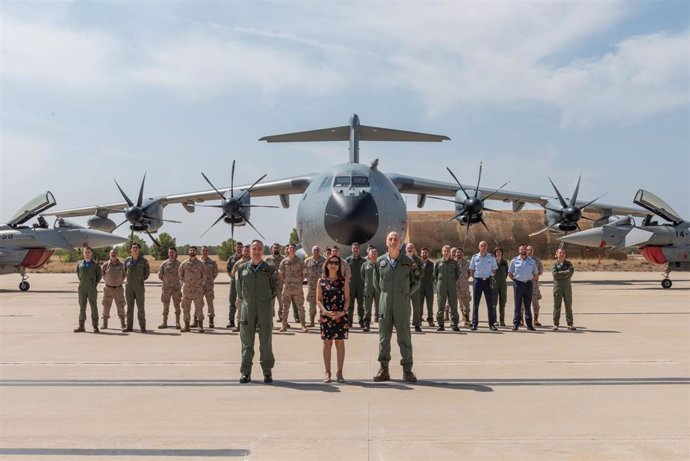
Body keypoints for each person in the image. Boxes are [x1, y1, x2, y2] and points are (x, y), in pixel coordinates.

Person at [372, 232, 421, 383]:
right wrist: (386, 296)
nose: (393, 241)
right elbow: (376, 283)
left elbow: (416, 281)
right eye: (390, 239)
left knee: (404, 337)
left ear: (401, 243)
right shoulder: (380, 262)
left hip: (402, 304)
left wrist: (404, 294)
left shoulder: (408, 261)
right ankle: (384, 369)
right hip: (384, 304)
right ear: (386, 242)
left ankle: (407, 370)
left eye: (396, 239)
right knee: (383, 338)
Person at [237, 240, 279, 384]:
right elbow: (239, 289)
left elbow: (275, 287)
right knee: (247, 342)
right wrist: (246, 301)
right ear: (249, 250)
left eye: (259, 249)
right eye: (254, 248)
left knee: (266, 341)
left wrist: (265, 299)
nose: (256, 251)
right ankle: (246, 372)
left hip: (264, 308)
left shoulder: (269, 268)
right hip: (248, 309)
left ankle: (267, 371)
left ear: (262, 251)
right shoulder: (242, 268)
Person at [317, 255, 350, 383]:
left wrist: (343, 312)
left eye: (336, 263)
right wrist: (325, 311)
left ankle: (340, 372)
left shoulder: (343, 281)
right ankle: (327, 372)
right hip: (326, 316)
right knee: (327, 343)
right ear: (326, 264)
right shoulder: (322, 281)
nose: (333, 265)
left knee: (340, 343)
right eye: (330, 262)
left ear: (339, 266)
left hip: (340, 316)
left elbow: (347, 298)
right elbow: (318, 300)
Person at [278, 243, 308, 333]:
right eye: (290, 248)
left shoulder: (300, 261)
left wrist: (300, 281)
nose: (291, 249)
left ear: (295, 250)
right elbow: (280, 272)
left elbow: (304, 272)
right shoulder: (284, 261)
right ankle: (284, 325)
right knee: (285, 307)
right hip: (287, 287)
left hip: (297, 287)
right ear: (288, 250)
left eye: (293, 248)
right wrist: (285, 281)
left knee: (301, 307)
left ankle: (303, 325)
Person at [508, 244, 539, 331]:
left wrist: (530, 279)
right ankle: (516, 324)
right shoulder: (514, 261)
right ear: (519, 250)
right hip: (518, 284)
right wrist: (516, 281)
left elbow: (535, 273)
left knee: (527, 306)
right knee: (517, 305)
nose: (523, 251)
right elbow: (510, 273)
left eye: (525, 249)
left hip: (528, 284)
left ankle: (529, 325)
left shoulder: (532, 261)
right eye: (521, 249)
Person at [469, 241, 498, 331]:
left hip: (488, 281)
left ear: (487, 247)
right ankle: (474, 324)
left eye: (485, 245)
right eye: (482, 245)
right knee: (476, 304)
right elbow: (472, 270)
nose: (483, 247)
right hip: (478, 281)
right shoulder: (474, 257)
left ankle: (491, 324)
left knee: (490, 304)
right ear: (479, 247)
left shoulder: (491, 257)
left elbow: (494, 270)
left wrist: (491, 279)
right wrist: (476, 278)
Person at [123, 242, 150, 333]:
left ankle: (142, 327)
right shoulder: (127, 261)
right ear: (131, 250)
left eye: (136, 248)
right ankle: (129, 326)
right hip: (129, 286)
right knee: (129, 308)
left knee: (140, 307)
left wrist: (140, 279)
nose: (135, 249)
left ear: (139, 249)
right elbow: (124, 272)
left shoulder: (144, 261)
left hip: (139, 287)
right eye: (133, 248)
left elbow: (147, 273)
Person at [179, 246, 207, 333]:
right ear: (188, 251)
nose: (192, 251)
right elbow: (180, 275)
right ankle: (187, 326)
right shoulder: (184, 263)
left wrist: (200, 285)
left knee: (199, 308)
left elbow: (204, 276)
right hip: (187, 290)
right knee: (186, 308)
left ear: (196, 252)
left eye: (194, 250)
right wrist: (184, 284)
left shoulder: (201, 264)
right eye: (190, 250)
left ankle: (200, 326)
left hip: (197, 290)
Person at [74, 247, 102, 333]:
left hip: (91, 287)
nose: (87, 254)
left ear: (91, 254)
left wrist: (94, 283)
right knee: (82, 306)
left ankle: (95, 326)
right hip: (82, 287)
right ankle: (81, 325)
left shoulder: (95, 265)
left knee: (93, 306)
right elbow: (79, 275)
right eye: (86, 252)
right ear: (83, 253)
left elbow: (99, 276)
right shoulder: (79, 264)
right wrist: (84, 282)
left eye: (89, 252)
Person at [435, 245, 460, 331]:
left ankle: (454, 324)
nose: (446, 252)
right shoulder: (438, 262)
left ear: (450, 252)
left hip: (452, 285)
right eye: (444, 251)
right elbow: (435, 274)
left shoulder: (454, 263)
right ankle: (441, 324)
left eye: (447, 251)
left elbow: (457, 274)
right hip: (441, 285)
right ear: (442, 252)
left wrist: (452, 281)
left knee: (453, 304)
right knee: (441, 304)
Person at [100, 248, 126, 330]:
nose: (113, 254)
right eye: (112, 253)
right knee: (106, 305)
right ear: (109, 254)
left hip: (118, 288)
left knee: (121, 306)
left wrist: (119, 281)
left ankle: (123, 324)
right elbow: (103, 274)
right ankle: (105, 324)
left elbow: (125, 275)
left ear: (117, 254)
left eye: (115, 253)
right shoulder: (105, 265)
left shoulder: (122, 265)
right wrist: (108, 281)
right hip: (108, 288)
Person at [552, 248, 576, 331]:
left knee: (568, 306)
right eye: (560, 253)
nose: (561, 254)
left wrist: (561, 273)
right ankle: (555, 324)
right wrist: (565, 273)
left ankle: (570, 324)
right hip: (558, 288)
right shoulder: (554, 264)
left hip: (567, 288)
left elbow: (571, 272)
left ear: (565, 254)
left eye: (563, 253)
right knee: (557, 306)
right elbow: (555, 275)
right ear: (556, 254)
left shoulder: (568, 263)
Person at [157, 247, 182, 329]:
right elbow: (160, 275)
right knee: (165, 305)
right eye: (170, 252)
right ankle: (164, 323)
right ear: (168, 253)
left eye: (173, 252)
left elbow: (182, 276)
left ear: (175, 253)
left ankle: (178, 323)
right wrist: (167, 282)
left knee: (177, 305)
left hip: (176, 289)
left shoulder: (179, 264)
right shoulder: (164, 264)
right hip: (166, 289)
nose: (171, 254)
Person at [229, 245, 251, 332]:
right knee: (240, 307)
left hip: (252, 289)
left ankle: (253, 326)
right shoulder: (238, 263)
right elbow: (233, 274)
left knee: (252, 308)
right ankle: (239, 325)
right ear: (242, 252)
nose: (246, 252)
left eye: (247, 251)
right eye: (244, 251)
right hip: (241, 290)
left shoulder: (253, 262)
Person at [304, 245, 326, 327]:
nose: (316, 251)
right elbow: (304, 272)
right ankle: (311, 321)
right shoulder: (307, 261)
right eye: (314, 250)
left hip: (322, 286)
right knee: (312, 305)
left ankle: (322, 321)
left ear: (319, 251)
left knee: (322, 304)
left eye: (317, 250)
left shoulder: (324, 260)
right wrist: (309, 279)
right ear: (312, 251)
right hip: (312, 286)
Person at [345, 242, 365, 328]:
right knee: (350, 305)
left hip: (361, 285)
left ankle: (361, 321)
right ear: (351, 249)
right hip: (351, 286)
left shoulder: (364, 261)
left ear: (359, 249)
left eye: (357, 248)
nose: (355, 249)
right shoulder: (347, 260)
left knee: (361, 305)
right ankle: (349, 321)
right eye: (354, 248)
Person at [199, 246, 219, 328]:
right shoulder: (197, 262)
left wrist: (210, 280)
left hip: (209, 286)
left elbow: (215, 273)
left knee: (210, 303)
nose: (204, 252)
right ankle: (197, 319)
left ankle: (211, 321)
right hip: (199, 286)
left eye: (206, 251)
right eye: (203, 251)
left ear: (208, 252)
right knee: (198, 303)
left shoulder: (212, 262)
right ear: (200, 252)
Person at [360, 246, 379, 331]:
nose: (374, 255)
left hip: (378, 289)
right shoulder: (365, 264)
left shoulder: (381, 264)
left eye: (375, 253)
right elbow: (362, 276)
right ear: (369, 255)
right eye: (372, 254)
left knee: (380, 307)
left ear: (377, 255)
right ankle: (366, 324)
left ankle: (381, 324)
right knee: (367, 307)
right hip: (368, 289)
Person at [226, 241, 244, 329]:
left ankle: (242, 321)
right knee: (232, 300)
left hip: (244, 282)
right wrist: (234, 278)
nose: (239, 249)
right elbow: (228, 270)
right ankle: (231, 321)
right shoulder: (231, 258)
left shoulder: (246, 258)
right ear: (235, 248)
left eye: (240, 247)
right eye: (237, 247)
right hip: (234, 280)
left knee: (242, 301)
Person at [405, 242, 422, 329]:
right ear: (405, 249)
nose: (409, 249)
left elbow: (421, 273)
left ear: (414, 249)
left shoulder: (418, 260)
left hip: (415, 285)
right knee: (405, 306)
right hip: (405, 285)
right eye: (408, 248)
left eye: (411, 247)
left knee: (416, 306)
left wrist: (416, 270)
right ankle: (405, 323)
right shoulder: (402, 259)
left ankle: (417, 324)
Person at [265, 243, 284, 321]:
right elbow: (264, 270)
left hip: (280, 284)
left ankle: (281, 317)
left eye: (277, 248)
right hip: (270, 285)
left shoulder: (283, 259)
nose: (276, 249)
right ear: (272, 249)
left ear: (280, 249)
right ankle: (270, 319)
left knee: (281, 302)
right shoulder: (267, 259)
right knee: (270, 303)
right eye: (274, 248)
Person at [526, 245, 545, 326]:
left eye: (531, 250)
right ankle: (521, 320)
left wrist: (536, 276)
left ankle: (536, 320)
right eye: (528, 250)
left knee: (535, 303)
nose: (529, 251)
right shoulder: (523, 260)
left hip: (534, 284)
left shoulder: (537, 260)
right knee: (523, 303)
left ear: (533, 251)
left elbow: (541, 270)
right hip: (525, 283)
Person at [418, 247, 435, 328]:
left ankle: (430, 320)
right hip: (420, 287)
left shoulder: (431, 264)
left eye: (425, 253)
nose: (424, 254)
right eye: (423, 253)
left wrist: (430, 281)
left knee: (430, 305)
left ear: (428, 254)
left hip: (429, 287)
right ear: (420, 254)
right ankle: (419, 319)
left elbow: (434, 275)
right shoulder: (418, 263)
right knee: (419, 304)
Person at [455, 248, 472, 328]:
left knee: (466, 301)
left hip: (464, 285)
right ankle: (463, 317)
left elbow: (470, 273)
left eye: (460, 252)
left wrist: (464, 279)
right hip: (455, 285)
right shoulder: (453, 263)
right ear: (455, 254)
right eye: (457, 252)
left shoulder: (467, 263)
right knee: (460, 303)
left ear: (463, 254)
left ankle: (467, 319)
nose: (459, 254)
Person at [493, 247, 509, 327]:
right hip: (494, 284)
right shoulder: (492, 261)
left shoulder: (504, 262)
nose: (498, 253)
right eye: (497, 252)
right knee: (494, 303)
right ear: (495, 253)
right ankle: (494, 320)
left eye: (500, 252)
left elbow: (506, 273)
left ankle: (502, 320)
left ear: (502, 253)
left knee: (502, 303)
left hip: (503, 284)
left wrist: (502, 280)